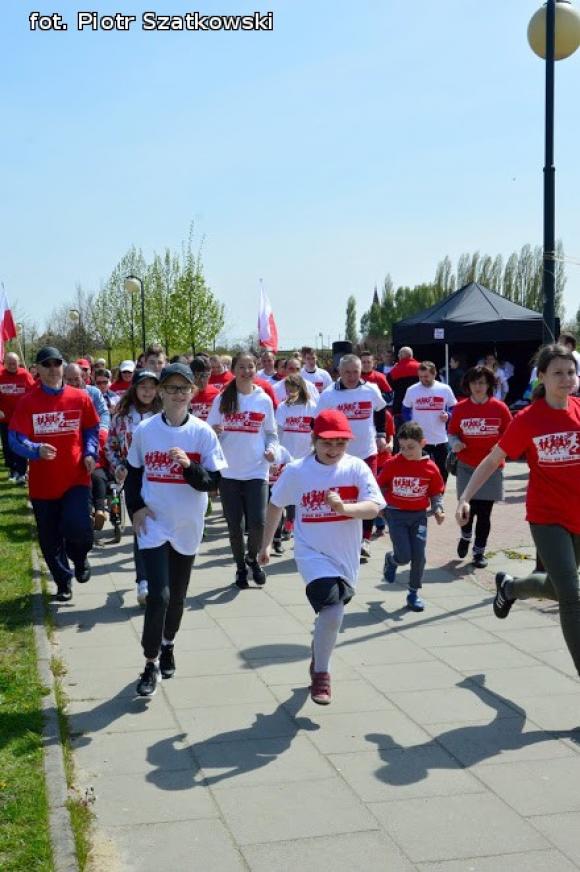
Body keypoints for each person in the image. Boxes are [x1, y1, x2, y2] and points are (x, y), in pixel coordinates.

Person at [455, 344, 580, 678]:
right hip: (547, 516)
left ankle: (509, 588)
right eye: (558, 373)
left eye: (571, 372)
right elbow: (493, 460)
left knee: (559, 587)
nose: (567, 379)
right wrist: (465, 496)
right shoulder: (528, 420)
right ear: (541, 377)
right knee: (571, 596)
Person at [258, 409, 385, 705]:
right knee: (332, 611)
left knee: (330, 614)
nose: (334, 450)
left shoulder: (356, 468)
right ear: (314, 440)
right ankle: (322, 675)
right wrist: (265, 545)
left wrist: (345, 510)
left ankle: (319, 652)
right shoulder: (297, 470)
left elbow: (375, 507)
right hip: (311, 553)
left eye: (341, 443)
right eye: (327, 443)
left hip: (346, 557)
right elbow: (276, 505)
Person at [125, 363, 227, 697]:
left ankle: (168, 644)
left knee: (178, 599)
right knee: (159, 596)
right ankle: (149, 662)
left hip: (187, 525)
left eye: (184, 388)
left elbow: (213, 482)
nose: (177, 394)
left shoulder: (202, 433)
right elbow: (134, 473)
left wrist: (188, 467)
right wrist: (136, 509)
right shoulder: (146, 431)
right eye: (171, 388)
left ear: (192, 393)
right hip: (154, 524)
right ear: (161, 393)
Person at [9, 347, 99, 601]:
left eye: (56, 363)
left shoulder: (79, 398)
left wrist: (90, 452)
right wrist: (35, 449)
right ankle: (63, 581)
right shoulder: (28, 401)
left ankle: (80, 559)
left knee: (79, 528)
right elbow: (15, 438)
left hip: (76, 478)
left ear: (63, 366)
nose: (52, 368)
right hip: (43, 485)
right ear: (37, 369)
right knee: (49, 540)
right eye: (45, 364)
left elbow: (91, 428)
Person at [207, 352, 277, 589]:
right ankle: (240, 567)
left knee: (258, 522)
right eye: (242, 367)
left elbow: (271, 434)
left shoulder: (263, 399)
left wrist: (271, 450)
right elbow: (209, 432)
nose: (247, 371)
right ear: (234, 370)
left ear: (256, 369)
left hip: (257, 470)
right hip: (229, 472)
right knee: (235, 526)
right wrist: (214, 431)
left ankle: (252, 559)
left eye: (251, 367)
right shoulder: (223, 399)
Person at [315, 353, 388, 561]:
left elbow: (381, 410)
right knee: (342, 497)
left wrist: (382, 435)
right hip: (338, 456)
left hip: (367, 452)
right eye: (347, 372)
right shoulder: (329, 395)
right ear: (339, 371)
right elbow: (317, 423)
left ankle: (364, 539)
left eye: (355, 371)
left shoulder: (370, 389)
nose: (351, 376)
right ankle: (337, 539)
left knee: (366, 496)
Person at [106, 369, 162, 605]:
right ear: (135, 389)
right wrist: (118, 465)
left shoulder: (164, 414)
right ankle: (144, 582)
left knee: (161, 529)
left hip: (161, 478)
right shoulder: (121, 416)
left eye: (152, 386)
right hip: (133, 479)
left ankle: (162, 578)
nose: (147, 391)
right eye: (143, 386)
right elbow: (110, 445)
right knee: (141, 528)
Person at [448, 366, 512, 568]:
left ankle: (479, 552)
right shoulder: (459, 408)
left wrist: (500, 445)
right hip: (467, 466)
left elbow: (510, 433)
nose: (478, 386)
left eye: (482, 382)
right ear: (468, 384)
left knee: (484, 513)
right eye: (474, 382)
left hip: (492, 467)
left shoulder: (500, 408)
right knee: (468, 509)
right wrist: (455, 443)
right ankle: (465, 535)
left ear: (489, 385)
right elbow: (452, 433)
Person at [378, 422, 445, 612]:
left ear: (423, 443)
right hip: (396, 515)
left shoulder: (430, 468)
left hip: (419, 516)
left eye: (411, 447)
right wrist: (381, 505)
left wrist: (438, 509)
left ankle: (413, 593)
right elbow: (379, 486)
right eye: (403, 447)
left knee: (419, 556)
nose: (406, 451)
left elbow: (435, 492)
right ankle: (392, 560)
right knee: (404, 555)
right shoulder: (392, 464)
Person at [402, 361, 456, 482]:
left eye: (426, 376)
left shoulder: (444, 389)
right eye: (420, 377)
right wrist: (410, 424)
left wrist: (449, 415)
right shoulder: (412, 390)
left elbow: (454, 407)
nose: (423, 379)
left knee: (443, 470)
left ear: (434, 374)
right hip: (419, 439)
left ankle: (439, 495)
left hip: (440, 438)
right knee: (420, 470)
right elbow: (405, 409)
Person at [0, 352, 35, 483]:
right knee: (8, 445)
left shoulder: (24, 374)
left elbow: (33, 391)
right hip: (5, 419)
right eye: (9, 363)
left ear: (19, 362)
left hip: (21, 418)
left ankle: (21, 471)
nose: (12, 366)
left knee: (20, 444)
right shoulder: (0, 376)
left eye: (14, 363)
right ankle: (12, 469)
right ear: (4, 363)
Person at [389, 346, 420, 426]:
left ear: (401, 356)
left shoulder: (394, 370)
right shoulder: (421, 368)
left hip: (400, 407)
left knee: (401, 435)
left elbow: (389, 387)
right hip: (419, 406)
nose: (398, 357)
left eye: (399, 355)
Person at [189, 357, 220, 422]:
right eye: (197, 375)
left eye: (206, 375)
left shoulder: (217, 395)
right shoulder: (184, 394)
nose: (202, 380)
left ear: (210, 374)